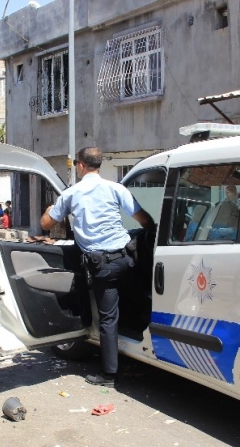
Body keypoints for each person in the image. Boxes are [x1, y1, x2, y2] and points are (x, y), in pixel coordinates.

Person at [39, 147, 154, 387]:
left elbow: (46, 224)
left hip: (103, 267)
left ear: (80, 165)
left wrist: (49, 209)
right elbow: (145, 221)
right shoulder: (116, 188)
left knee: (108, 319)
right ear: (98, 165)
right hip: (128, 259)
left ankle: (108, 375)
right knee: (137, 298)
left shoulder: (72, 194)